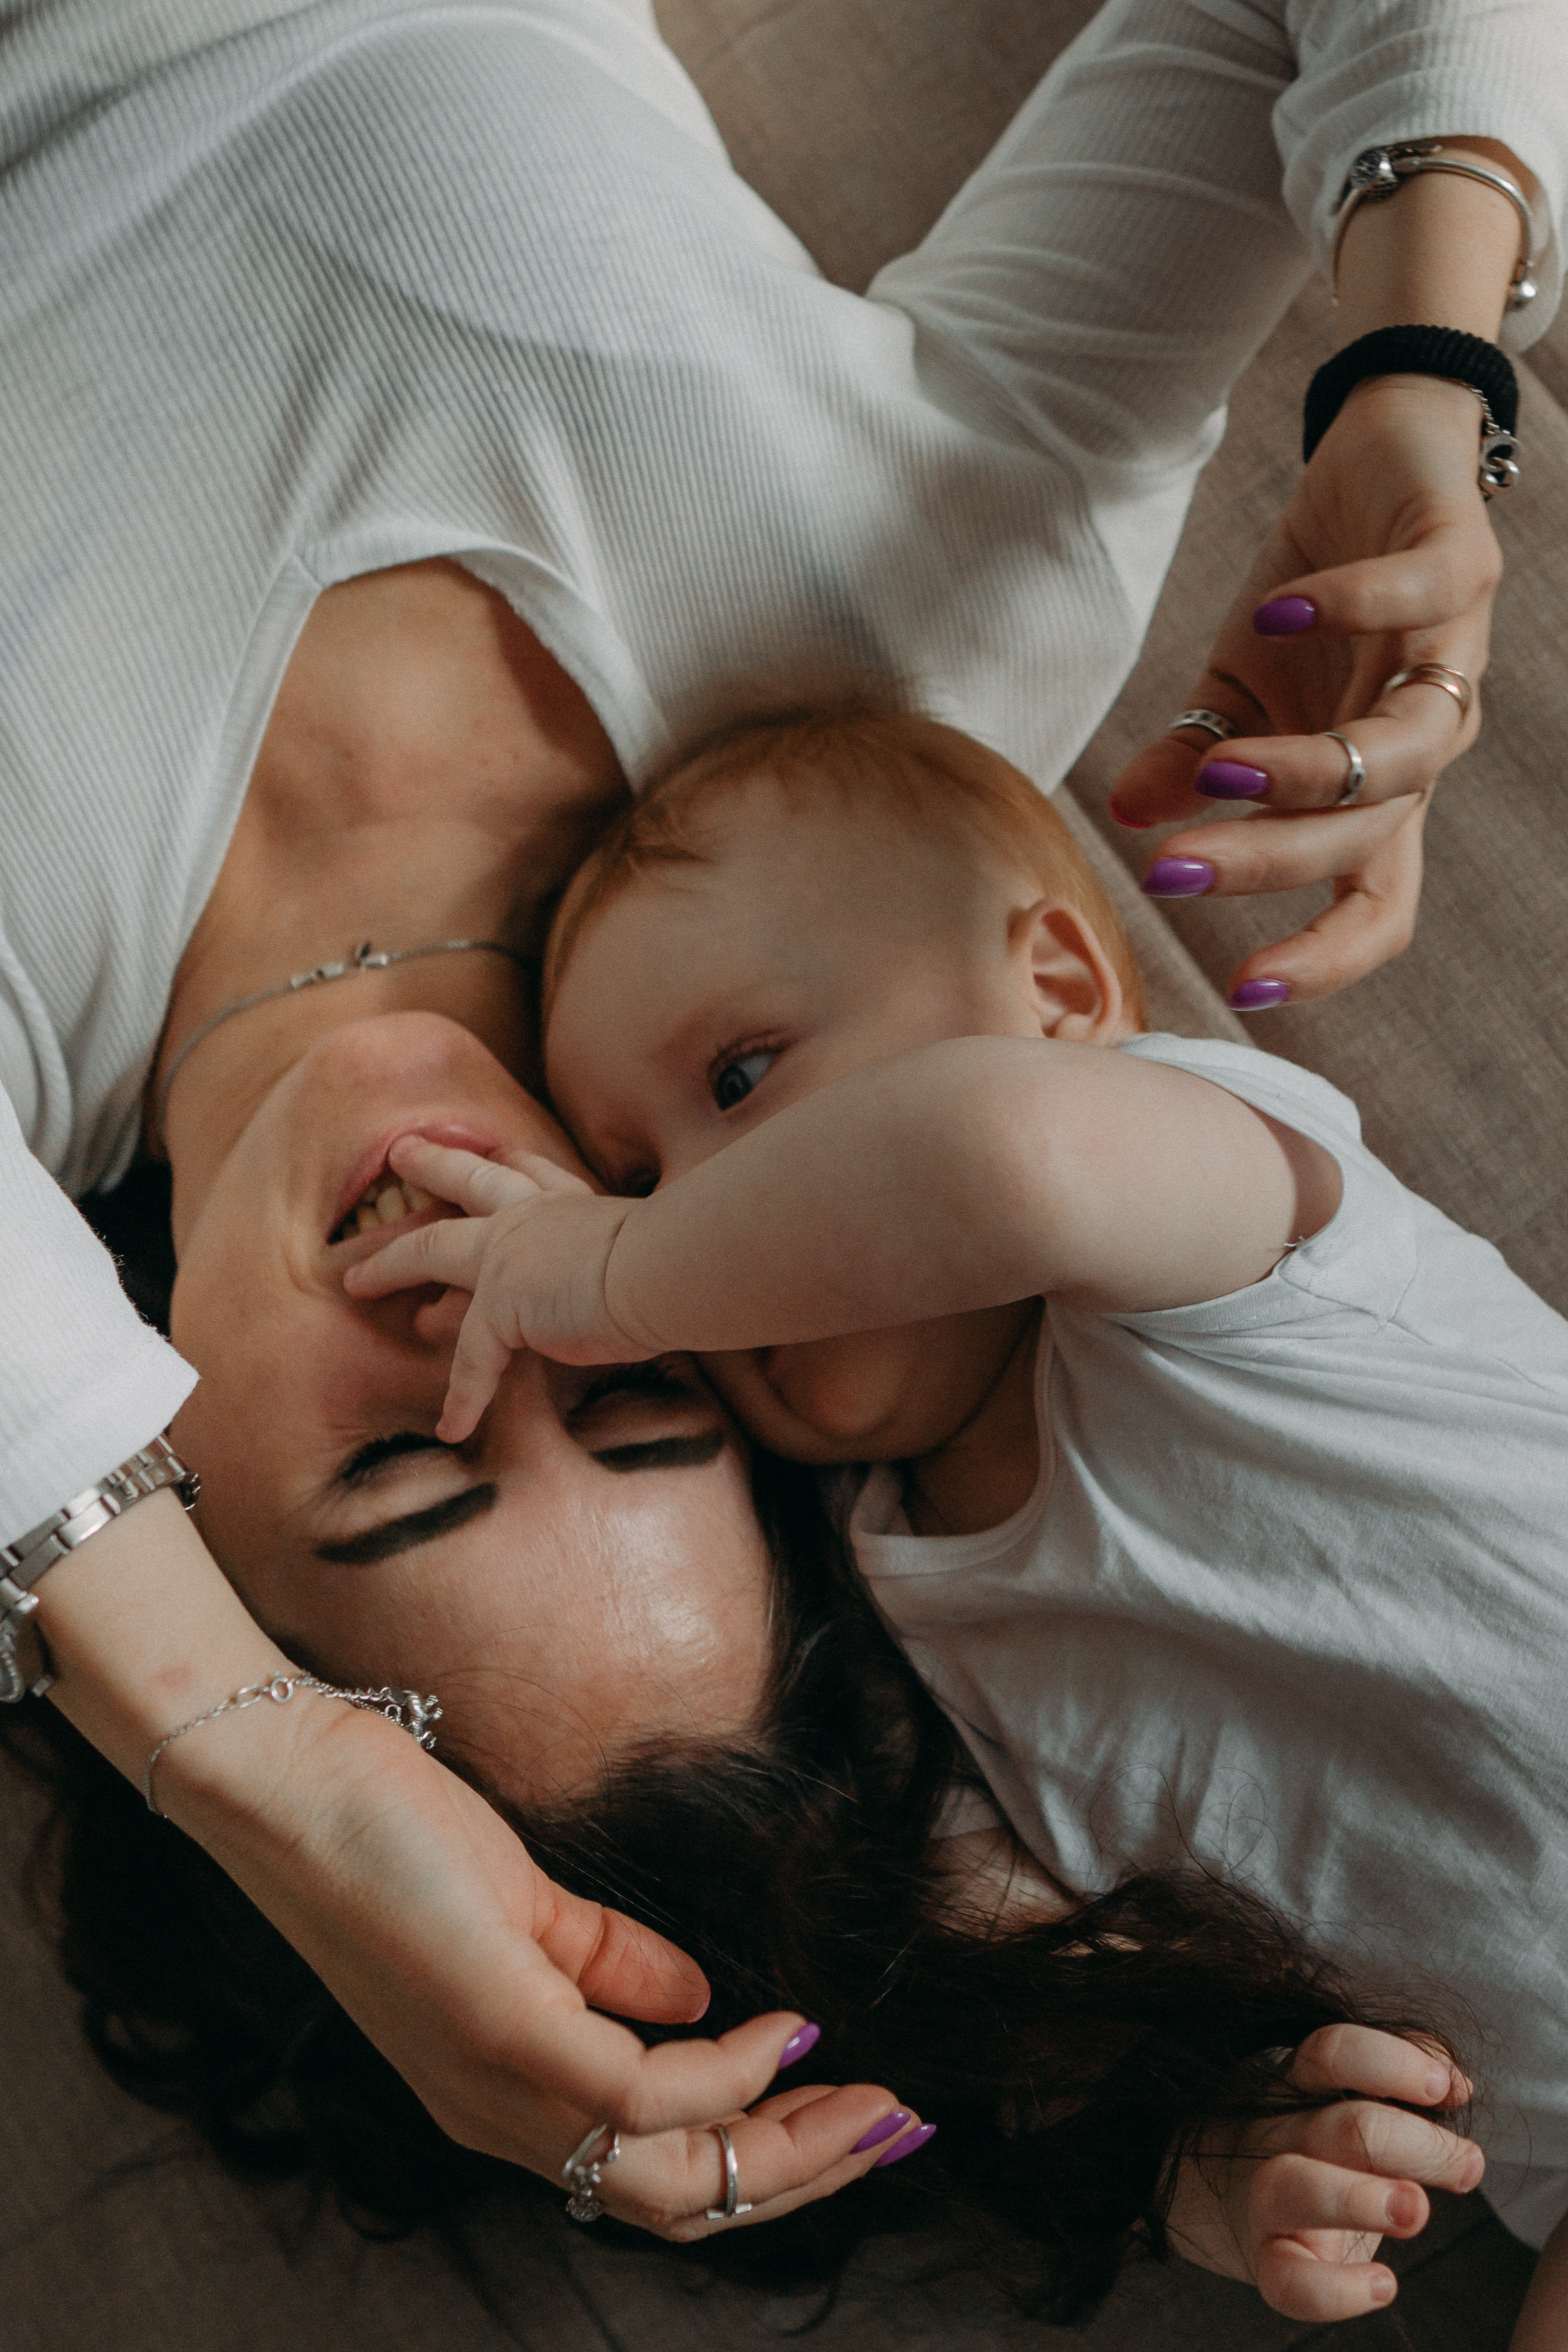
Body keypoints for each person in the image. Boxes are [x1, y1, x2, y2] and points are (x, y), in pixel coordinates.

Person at [1, 0, 1563, 2272]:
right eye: (627, 1378)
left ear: (178, 1502)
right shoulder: (875, 727)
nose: (472, 1315)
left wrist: (259, 1760)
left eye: (398, 1464)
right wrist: (1421, 381)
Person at [346, 703, 1568, 2340]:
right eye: (628, 1176)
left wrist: (614, 1263)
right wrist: (1196, 2155)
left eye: (742, 1074)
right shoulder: (883, 1594)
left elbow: (1002, 1162)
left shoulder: (1212, 1214)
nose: (686, 1216)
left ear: (1057, 993)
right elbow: (1049, 1972)